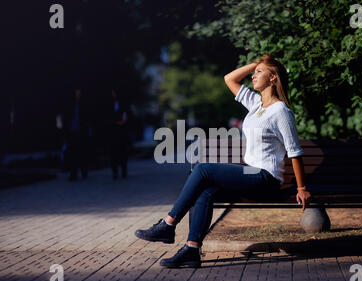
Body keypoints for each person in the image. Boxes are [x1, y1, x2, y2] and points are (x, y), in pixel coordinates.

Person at [135, 54, 312, 268]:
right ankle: (191, 249)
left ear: (273, 78)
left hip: (266, 179)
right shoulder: (256, 105)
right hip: (251, 174)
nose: (253, 76)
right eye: (254, 72)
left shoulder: (281, 112)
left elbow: (294, 151)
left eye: (259, 73)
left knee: (202, 169)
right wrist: (257, 63)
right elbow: (230, 79)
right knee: (207, 191)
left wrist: (302, 188)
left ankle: (168, 224)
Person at [63, 88, 92, 181]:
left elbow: (87, 118)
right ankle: (73, 174)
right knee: (73, 153)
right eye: (77, 93)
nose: (78, 95)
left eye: (79, 93)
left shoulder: (84, 105)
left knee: (82, 153)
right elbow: (67, 117)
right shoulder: (71, 105)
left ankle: (84, 171)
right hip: (73, 132)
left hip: (81, 132)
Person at [107, 89, 130, 180]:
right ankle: (115, 171)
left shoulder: (123, 105)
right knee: (113, 152)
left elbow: (126, 117)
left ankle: (123, 169)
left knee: (122, 152)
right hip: (113, 132)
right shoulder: (109, 105)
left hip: (121, 132)